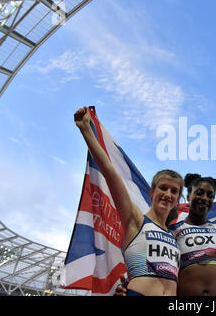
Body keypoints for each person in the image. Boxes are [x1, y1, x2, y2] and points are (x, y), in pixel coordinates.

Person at [74, 106, 184, 296]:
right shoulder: (135, 218)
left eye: (174, 191)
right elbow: (110, 173)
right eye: (163, 188)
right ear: (152, 192)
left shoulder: (174, 236)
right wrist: (86, 131)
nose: (168, 194)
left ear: (177, 200)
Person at [115, 173, 216, 296]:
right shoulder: (172, 230)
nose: (204, 198)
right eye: (199, 193)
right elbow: (149, 254)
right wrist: (131, 283)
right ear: (188, 196)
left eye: (210, 195)